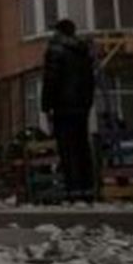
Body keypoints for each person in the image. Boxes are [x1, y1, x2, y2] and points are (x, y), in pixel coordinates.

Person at [42, 18, 96, 201]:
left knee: (67, 148)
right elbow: (90, 80)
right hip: (81, 106)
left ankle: (72, 190)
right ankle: (87, 188)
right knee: (82, 145)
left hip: (62, 106)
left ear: (59, 32)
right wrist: (87, 102)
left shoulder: (56, 50)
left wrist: (46, 105)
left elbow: (51, 80)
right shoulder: (83, 51)